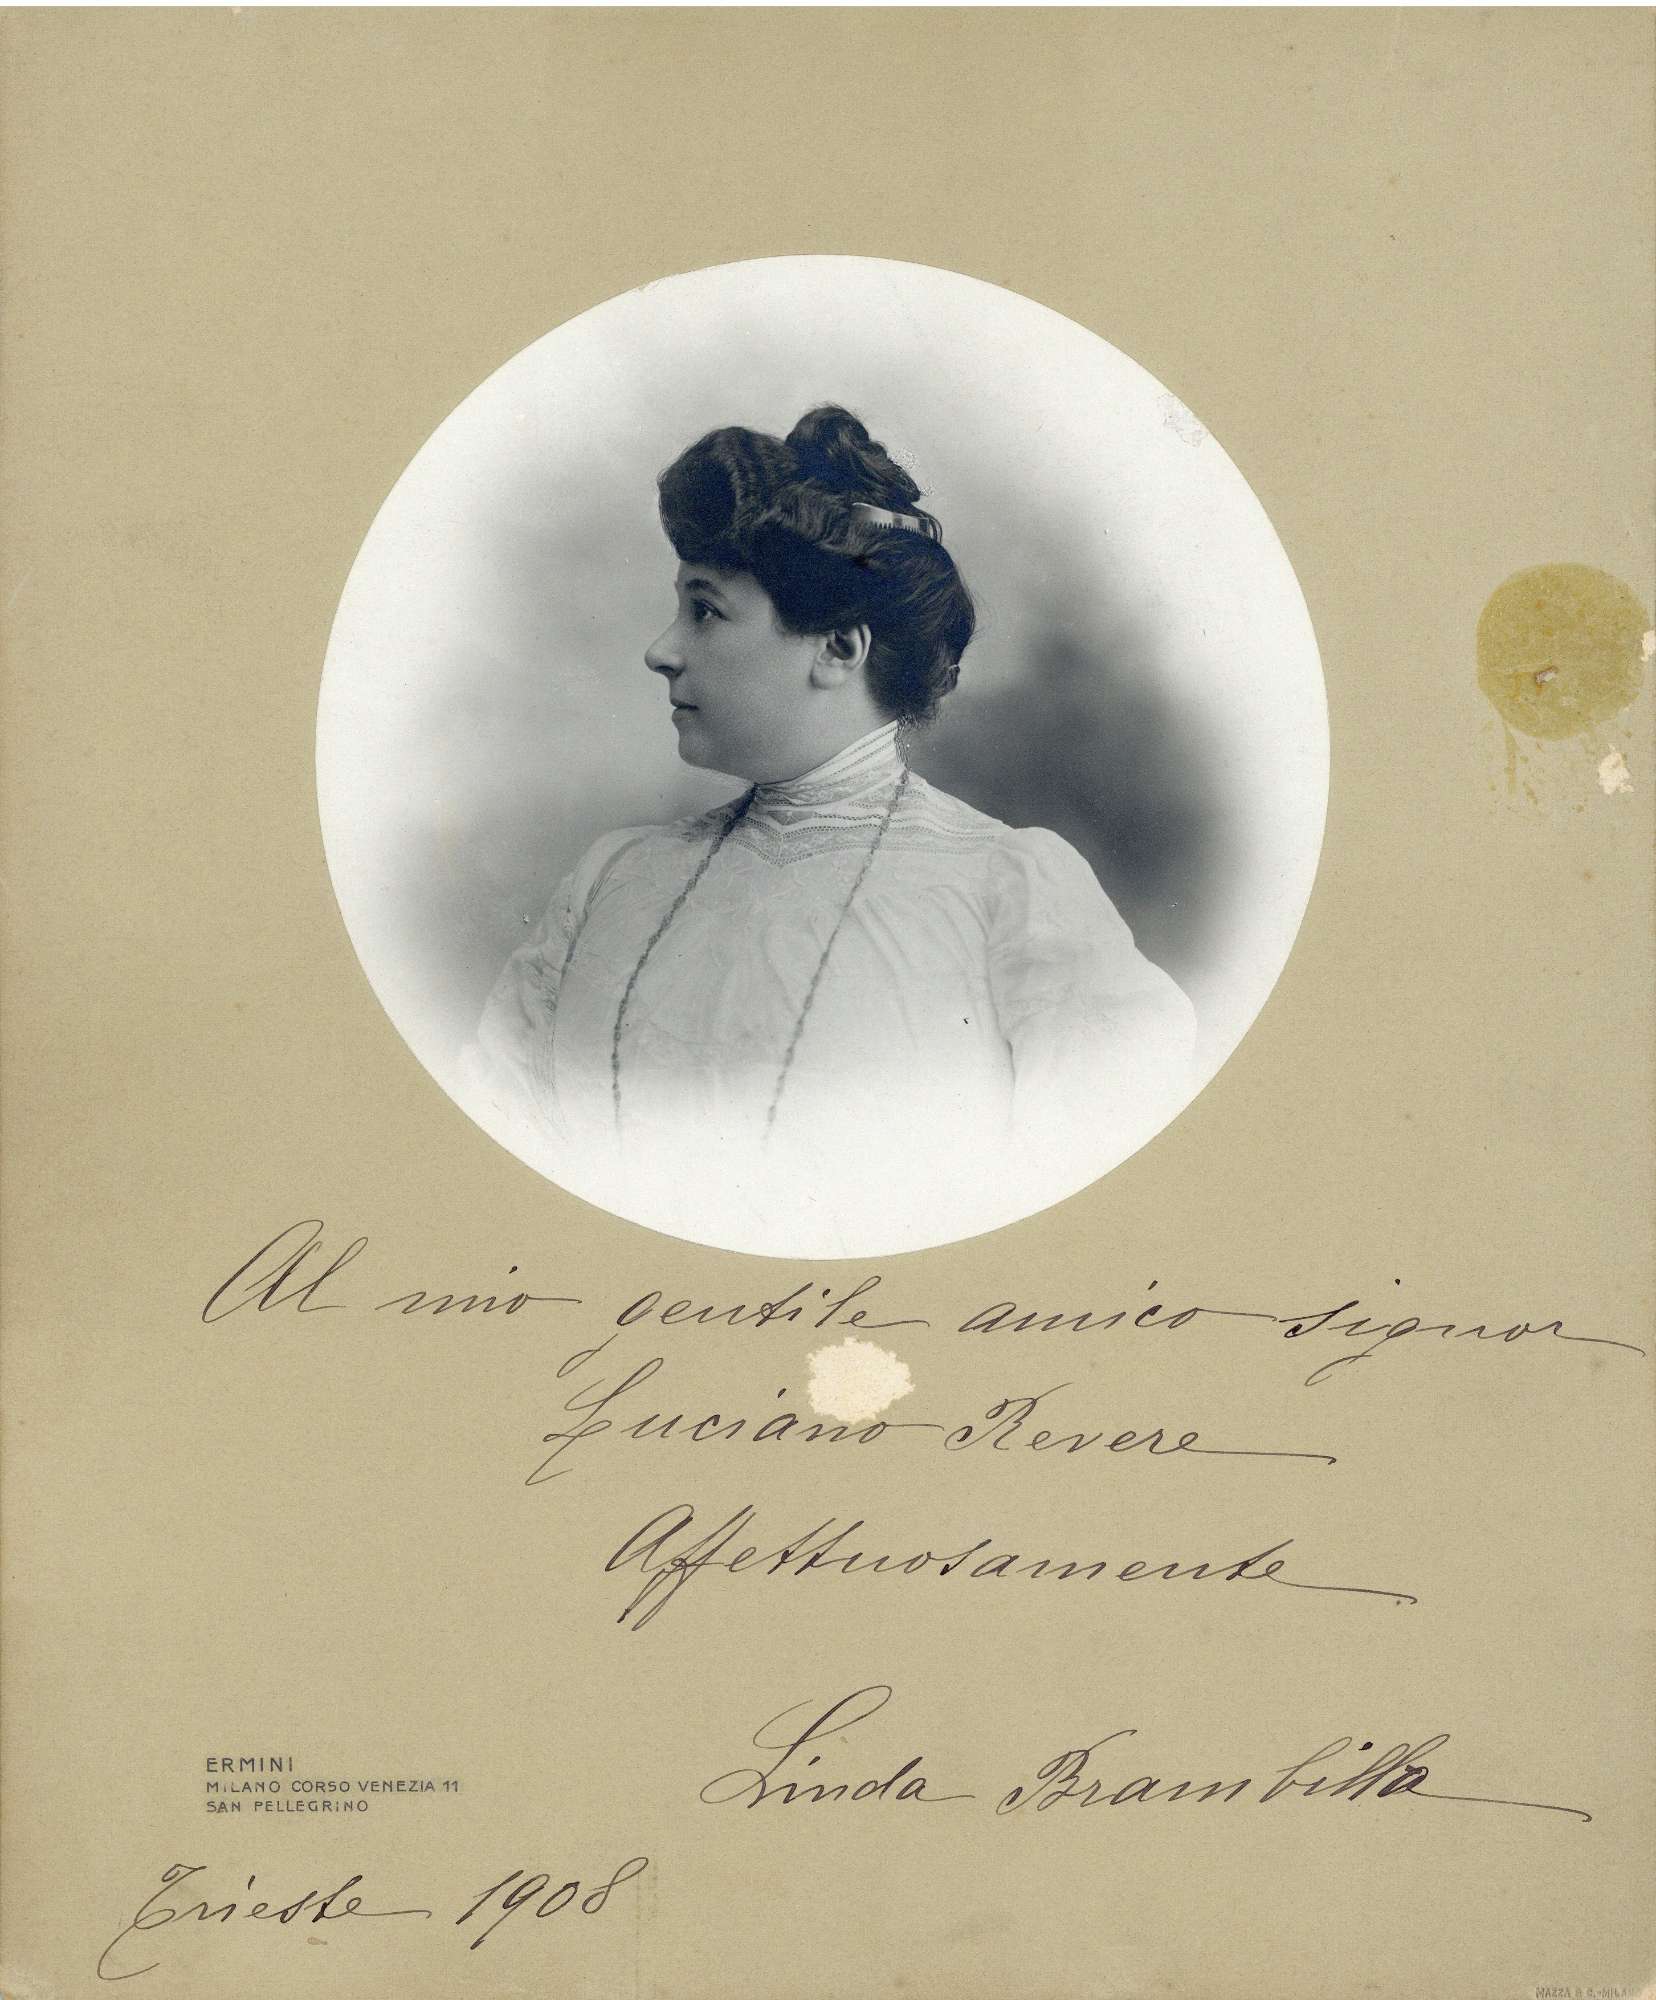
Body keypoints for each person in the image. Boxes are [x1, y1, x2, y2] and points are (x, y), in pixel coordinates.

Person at [461, 406, 1195, 1255]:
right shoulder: (615, 877)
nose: (662, 650)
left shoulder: (1006, 889)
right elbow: (496, 1150)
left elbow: (1092, 1209)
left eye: (705, 612)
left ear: (839, 649)